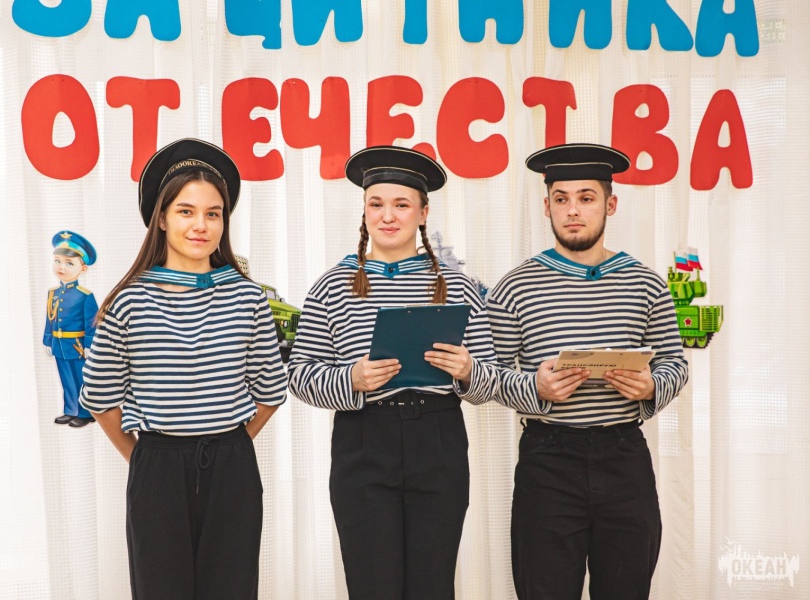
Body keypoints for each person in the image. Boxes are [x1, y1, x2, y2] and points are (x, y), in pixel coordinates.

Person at [287, 146, 499, 600]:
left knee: (432, 586)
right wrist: (351, 380)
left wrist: (467, 371)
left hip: (438, 440)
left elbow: (490, 380)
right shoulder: (331, 286)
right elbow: (300, 374)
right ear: (364, 211)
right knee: (373, 586)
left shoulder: (459, 286)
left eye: (402, 204)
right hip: (364, 439)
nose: (388, 216)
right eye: (376, 204)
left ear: (423, 212)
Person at [79, 138, 288, 599]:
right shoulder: (129, 301)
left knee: (231, 589)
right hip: (157, 466)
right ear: (162, 218)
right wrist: (148, 459)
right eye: (186, 211)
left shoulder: (248, 297)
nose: (201, 225)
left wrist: (229, 445)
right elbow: (99, 399)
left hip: (231, 467)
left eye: (213, 213)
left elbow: (271, 391)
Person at [486, 143, 689, 600]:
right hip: (548, 461)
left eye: (586, 197)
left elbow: (675, 364)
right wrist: (534, 387)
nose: (573, 210)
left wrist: (651, 385)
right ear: (547, 207)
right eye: (561, 199)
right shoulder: (516, 286)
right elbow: (486, 375)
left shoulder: (646, 282)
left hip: (624, 458)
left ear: (610, 205)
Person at [44, 230, 98, 428]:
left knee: (80, 378)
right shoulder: (53, 293)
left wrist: (90, 344)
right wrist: (47, 339)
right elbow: (49, 319)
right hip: (59, 344)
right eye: (57, 261)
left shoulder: (85, 295)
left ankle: (85, 412)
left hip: (77, 345)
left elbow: (92, 322)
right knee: (66, 378)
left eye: (69, 263)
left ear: (83, 268)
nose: (61, 267)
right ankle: (70, 410)